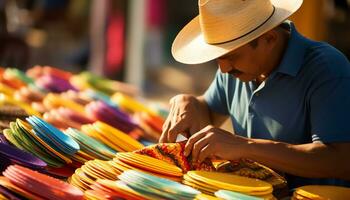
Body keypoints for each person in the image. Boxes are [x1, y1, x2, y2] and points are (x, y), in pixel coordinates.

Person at [159, 0, 350, 188]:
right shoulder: (234, 70)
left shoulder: (327, 69)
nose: (223, 69)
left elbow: (340, 160)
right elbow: (208, 112)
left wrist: (245, 147)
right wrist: (190, 103)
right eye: (218, 58)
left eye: (231, 56)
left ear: (269, 38)